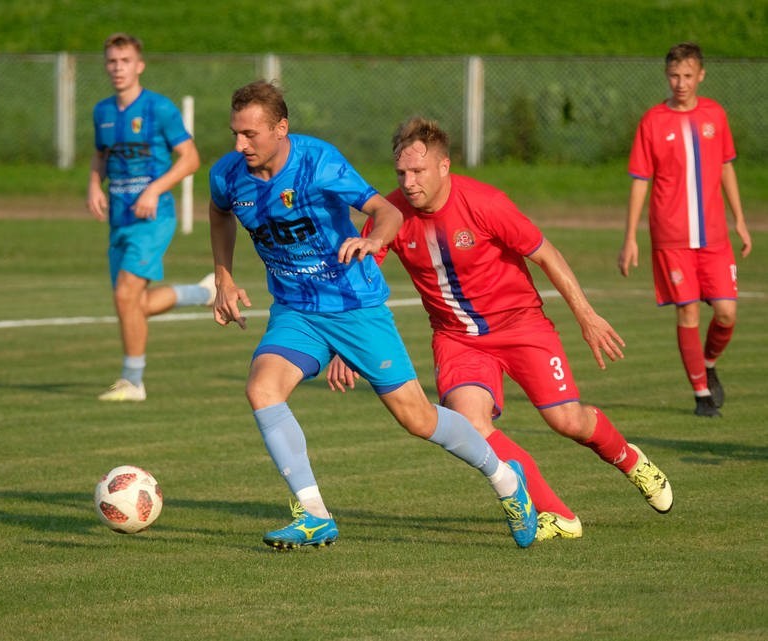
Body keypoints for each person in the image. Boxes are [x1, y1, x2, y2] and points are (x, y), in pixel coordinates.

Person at [208, 80, 538, 550]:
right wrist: (223, 274)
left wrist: (374, 240)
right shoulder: (227, 173)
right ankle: (314, 516)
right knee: (262, 388)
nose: (240, 145)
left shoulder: (317, 161)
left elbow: (386, 211)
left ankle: (506, 480)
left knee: (418, 419)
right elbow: (219, 211)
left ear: (281, 129)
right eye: (235, 134)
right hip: (296, 310)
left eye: (251, 135)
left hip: (352, 305)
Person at [328, 116, 674, 537]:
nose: (409, 182)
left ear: (443, 167)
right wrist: (346, 346)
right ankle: (558, 515)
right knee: (470, 425)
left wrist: (586, 315)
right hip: (457, 338)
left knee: (568, 421)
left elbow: (547, 255)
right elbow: (362, 279)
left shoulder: (485, 203)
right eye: (401, 173)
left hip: (521, 325)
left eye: (418, 171)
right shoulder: (391, 215)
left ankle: (630, 460)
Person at [619, 42, 751, 418]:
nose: (681, 83)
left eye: (688, 76)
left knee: (726, 313)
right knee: (688, 313)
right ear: (667, 76)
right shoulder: (653, 121)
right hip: (671, 237)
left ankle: (708, 363)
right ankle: (701, 394)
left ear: (701, 76)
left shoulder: (715, 115)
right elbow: (640, 180)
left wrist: (740, 218)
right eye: (675, 75)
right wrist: (630, 237)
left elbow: (726, 166)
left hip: (714, 237)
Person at [87, 33, 213, 402]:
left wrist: (155, 189)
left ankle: (133, 381)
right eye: (112, 61)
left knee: (126, 294)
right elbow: (100, 156)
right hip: (119, 220)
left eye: (125, 61)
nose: (117, 68)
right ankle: (205, 292)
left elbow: (190, 158)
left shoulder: (159, 109)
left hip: (153, 218)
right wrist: (94, 184)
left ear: (139, 65)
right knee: (132, 304)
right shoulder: (103, 112)